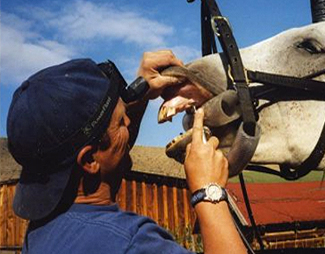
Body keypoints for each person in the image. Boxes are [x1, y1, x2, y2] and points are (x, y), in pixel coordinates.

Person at [7, 50, 247, 254]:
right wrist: (208, 192)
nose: (129, 124)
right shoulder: (130, 243)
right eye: (122, 122)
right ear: (89, 160)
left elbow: (107, 152)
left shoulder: (41, 231)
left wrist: (137, 95)